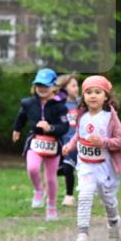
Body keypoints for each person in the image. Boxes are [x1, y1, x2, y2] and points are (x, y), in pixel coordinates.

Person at [62, 75, 121, 241]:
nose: (93, 96)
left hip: (105, 167)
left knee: (109, 202)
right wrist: (70, 145)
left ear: (106, 96)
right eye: (89, 92)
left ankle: (113, 222)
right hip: (85, 166)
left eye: (97, 92)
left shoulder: (110, 117)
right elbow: (79, 135)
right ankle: (82, 235)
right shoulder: (81, 116)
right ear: (83, 96)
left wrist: (103, 143)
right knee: (84, 196)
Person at [12, 68, 69, 221]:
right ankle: (38, 190)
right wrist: (17, 130)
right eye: (39, 86)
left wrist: (51, 128)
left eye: (45, 86)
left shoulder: (60, 107)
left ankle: (51, 206)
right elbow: (21, 116)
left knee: (51, 178)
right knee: (32, 168)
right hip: (35, 142)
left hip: (53, 145)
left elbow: (65, 127)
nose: (42, 89)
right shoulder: (28, 103)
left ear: (54, 88)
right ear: (34, 87)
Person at [54, 73, 80, 207]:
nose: (77, 88)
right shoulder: (59, 105)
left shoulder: (81, 103)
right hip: (62, 143)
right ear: (64, 88)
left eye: (77, 85)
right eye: (73, 85)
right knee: (61, 169)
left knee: (68, 167)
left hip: (77, 144)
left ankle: (69, 196)